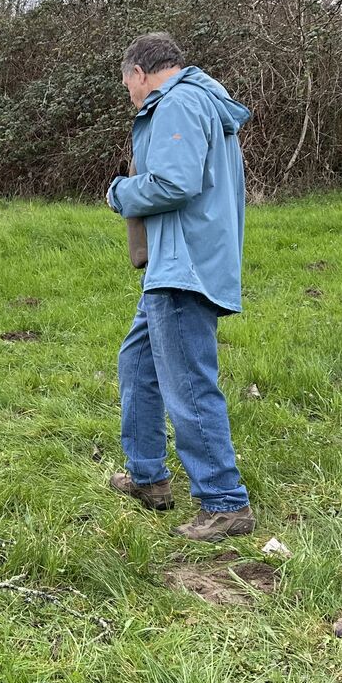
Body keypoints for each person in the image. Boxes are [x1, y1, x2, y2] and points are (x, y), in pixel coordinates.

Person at [104, 32, 256, 541]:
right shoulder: (200, 101)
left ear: (139, 73)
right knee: (137, 362)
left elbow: (175, 183)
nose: (128, 93)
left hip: (183, 264)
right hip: (180, 262)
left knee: (189, 382)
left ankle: (225, 502)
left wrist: (119, 191)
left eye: (126, 82)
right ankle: (148, 477)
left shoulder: (176, 105)